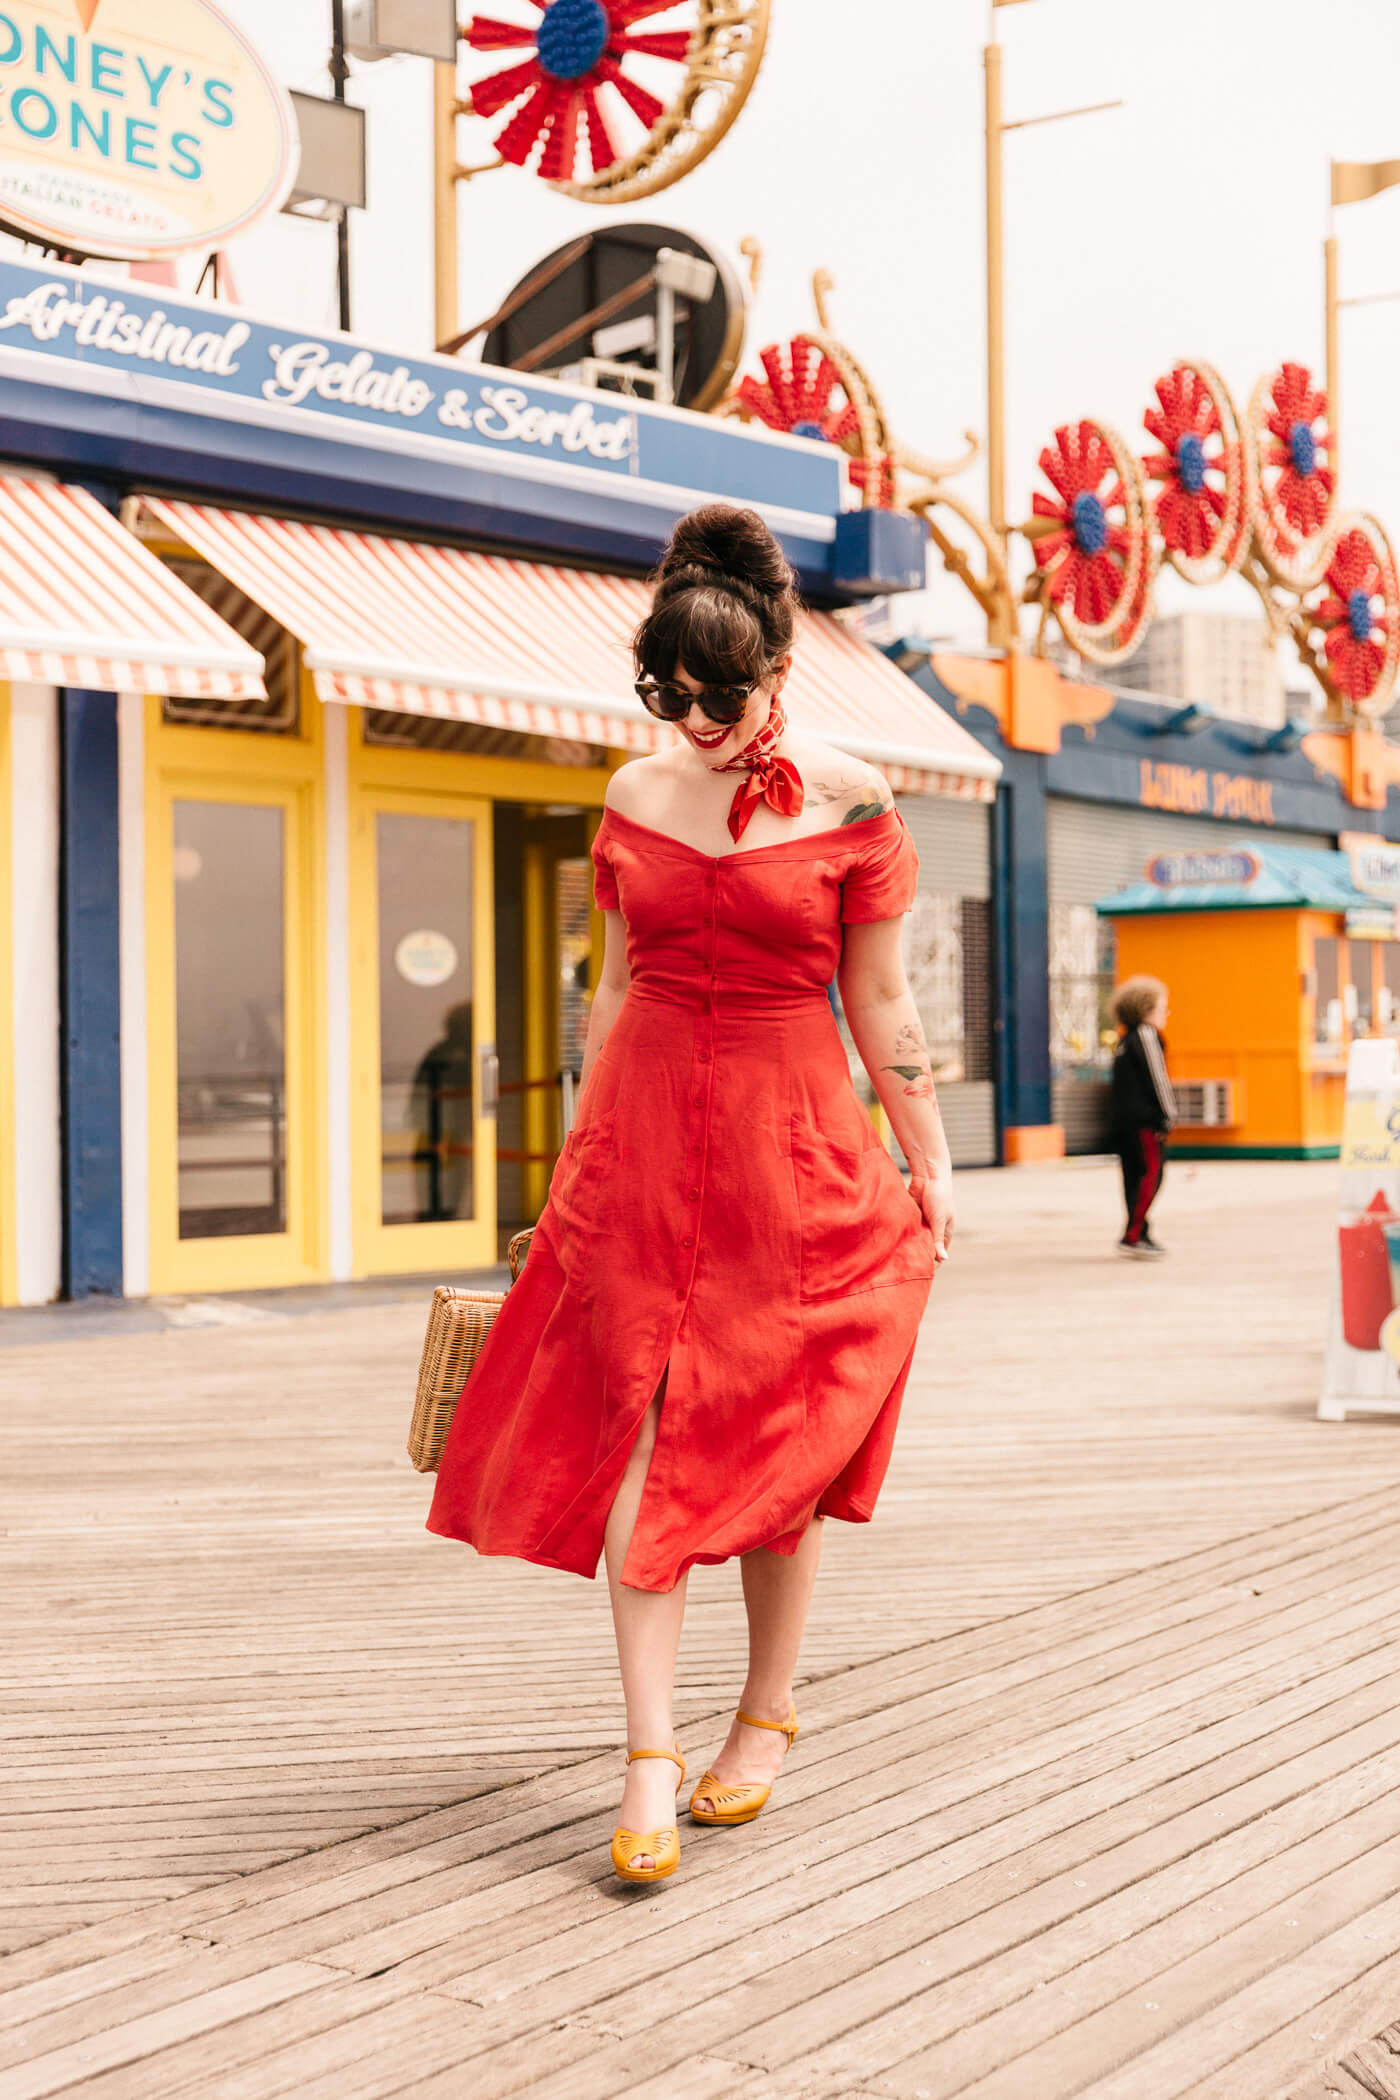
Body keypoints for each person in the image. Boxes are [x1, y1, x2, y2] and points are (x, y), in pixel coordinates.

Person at [427, 504, 953, 1885]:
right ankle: (648, 1753)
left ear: (781, 668)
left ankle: (766, 1710)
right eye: (671, 697)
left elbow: (883, 997)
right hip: (644, 1150)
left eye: (721, 698)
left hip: (797, 1153)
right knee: (643, 1433)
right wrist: (575, 1164)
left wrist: (934, 1157)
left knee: (782, 1448)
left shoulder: (855, 800)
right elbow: (612, 986)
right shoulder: (631, 796)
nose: (697, 724)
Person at [1110, 974, 1175, 1257]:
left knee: (1133, 1176)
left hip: (1125, 1123)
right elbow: (1157, 1079)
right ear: (1145, 1008)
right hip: (1144, 1122)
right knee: (1151, 1174)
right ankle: (1134, 1234)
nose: (1166, 1014)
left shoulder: (1124, 1039)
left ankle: (1139, 1229)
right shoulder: (1147, 1036)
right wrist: (1167, 1115)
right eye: (1163, 1008)